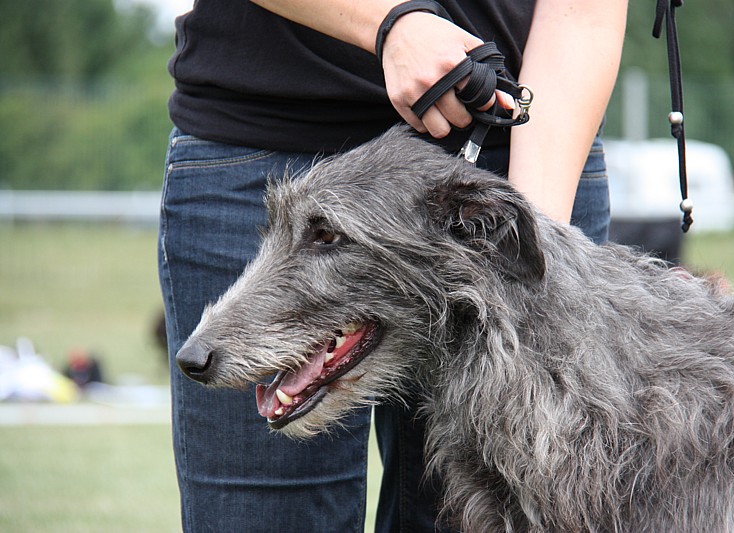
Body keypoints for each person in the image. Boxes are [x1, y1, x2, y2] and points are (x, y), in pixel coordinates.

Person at [158, 1, 628, 531]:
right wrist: (391, 24)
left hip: (522, 153)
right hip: (265, 137)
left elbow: (584, 14)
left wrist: (526, 226)